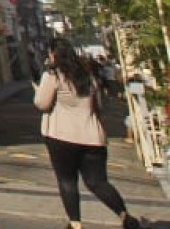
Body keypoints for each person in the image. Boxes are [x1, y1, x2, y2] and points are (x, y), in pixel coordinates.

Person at [36, 37, 143, 229]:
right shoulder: (88, 77)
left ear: (54, 55)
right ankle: (125, 215)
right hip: (93, 137)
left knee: (67, 180)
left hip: (61, 136)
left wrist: (39, 91)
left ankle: (75, 224)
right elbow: (99, 106)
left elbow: (42, 104)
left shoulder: (52, 76)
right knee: (98, 182)